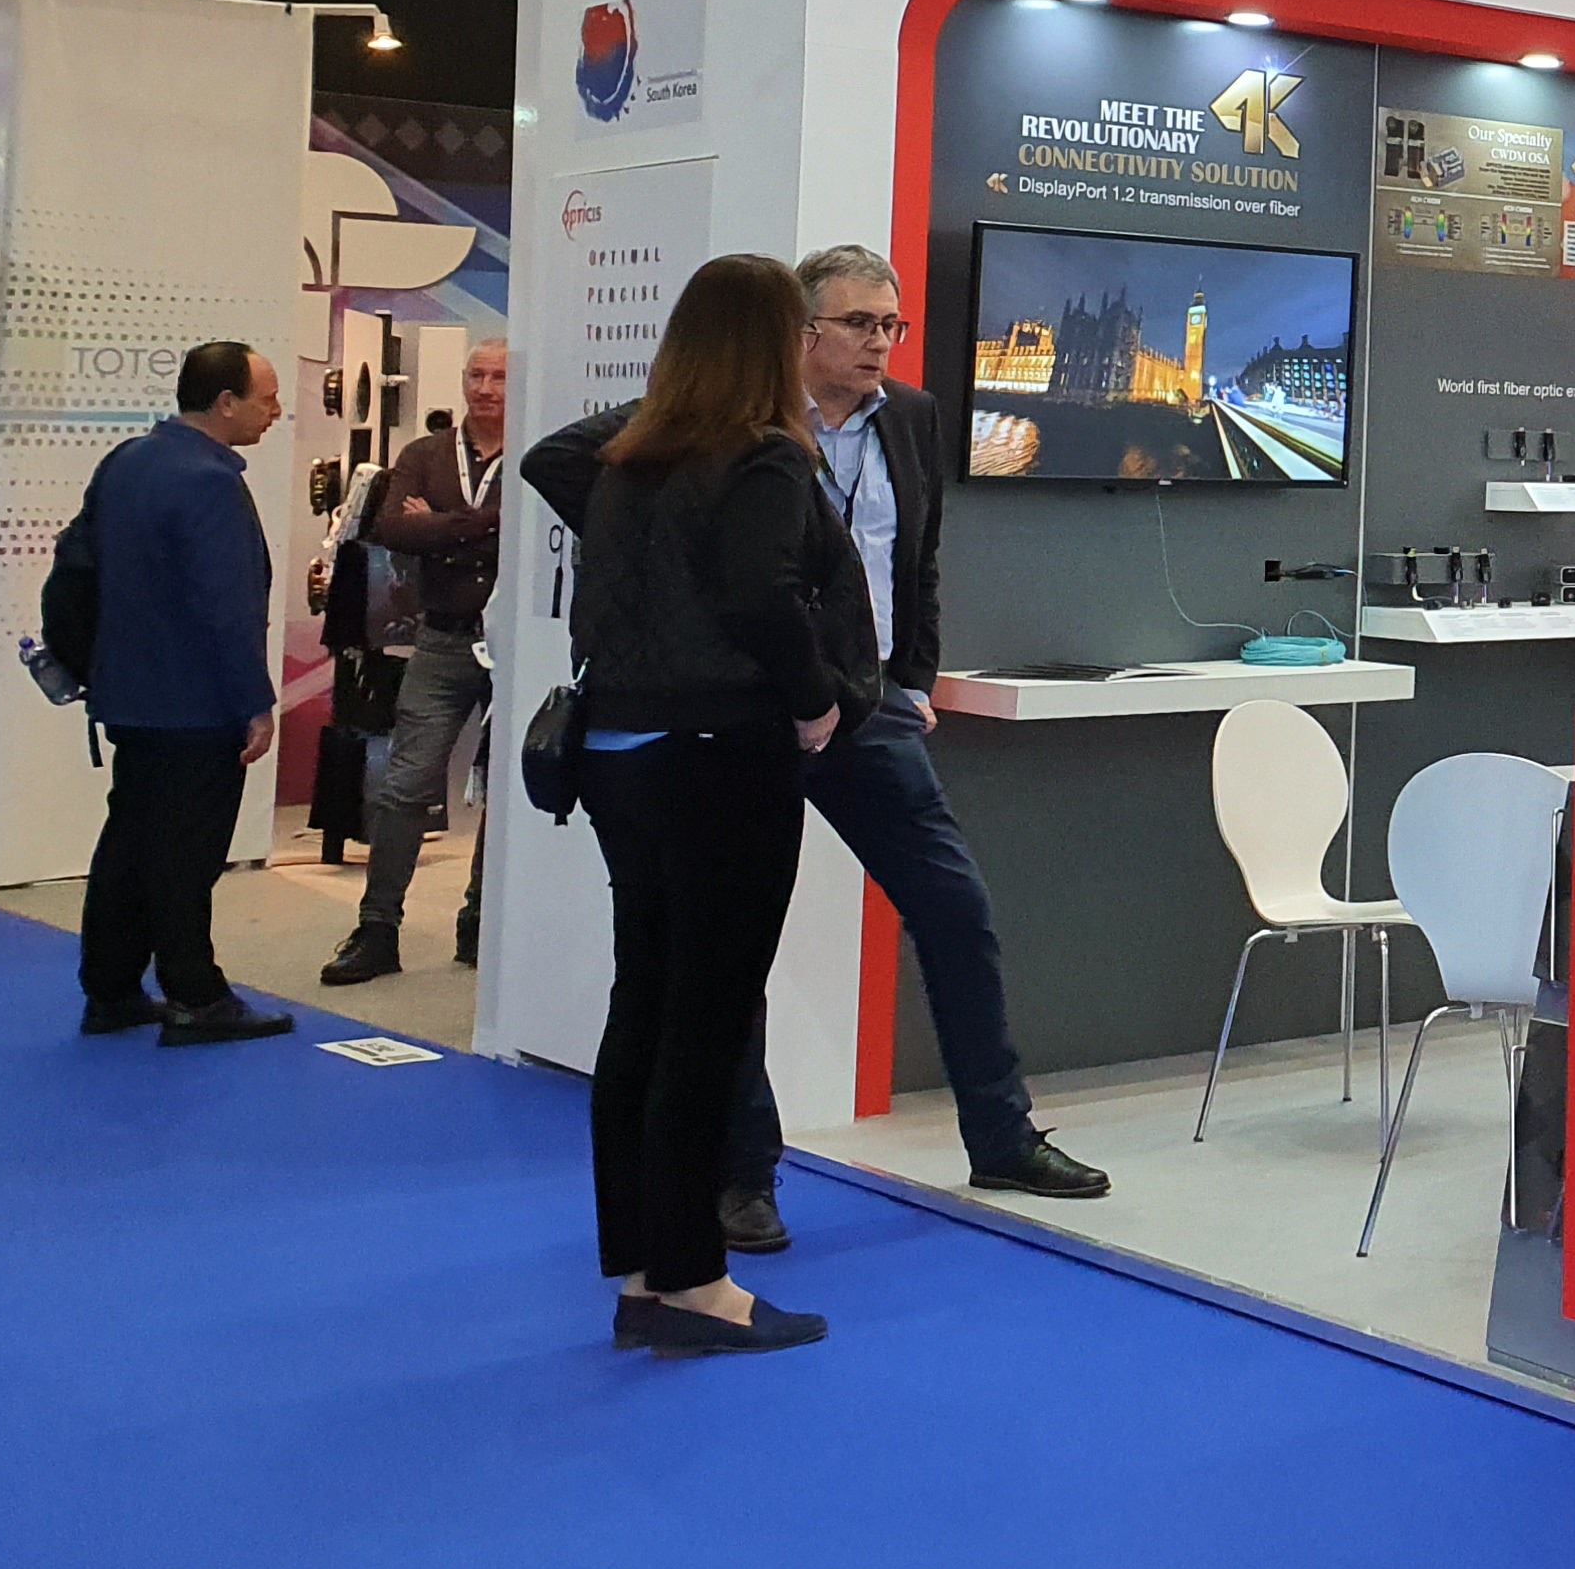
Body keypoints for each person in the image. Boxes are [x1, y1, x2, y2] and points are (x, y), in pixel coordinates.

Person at [716, 247, 1107, 1247]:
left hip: (869, 710)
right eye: (860, 324)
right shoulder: (741, 421)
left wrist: (913, 681)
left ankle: (1001, 1137)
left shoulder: (915, 418)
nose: (880, 343)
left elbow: (919, 559)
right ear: (804, 330)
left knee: (955, 909)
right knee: (739, 939)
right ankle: (742, 1175)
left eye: (890, 325)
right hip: (755, 713)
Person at [524, 254, 872, 1357]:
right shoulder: (765, 455)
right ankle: (693, 1283)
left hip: (621, 754)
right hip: (722, 757)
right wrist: (815, 700)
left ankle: (643, 1268)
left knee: (645, 1005)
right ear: (776, 341)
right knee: (707, 1022)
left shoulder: (632, 459)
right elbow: (760, 592)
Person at [71, 343, 295, 1047]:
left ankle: (110, 989)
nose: (276, 410)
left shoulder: (128, 462)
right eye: (266, 397)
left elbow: (77, 563)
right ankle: (196, 994)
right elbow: (227, 607)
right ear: (225, 403)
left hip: (129, 693)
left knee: (129, 844)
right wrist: (253, 701)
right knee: (185, 858)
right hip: (194, 704)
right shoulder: (209, 484)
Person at [326, 341, 506, 984]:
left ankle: (481, 921)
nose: (485, 388)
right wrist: (483, 524)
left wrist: (443, 524)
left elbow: (527, 530)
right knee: (405, 785)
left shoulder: (535, 452)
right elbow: (393, 530)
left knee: (504, 790)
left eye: (500, 377)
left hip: (513, 643)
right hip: (443, 638)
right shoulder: (425, 454)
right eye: (476, 375)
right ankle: (377, 928)